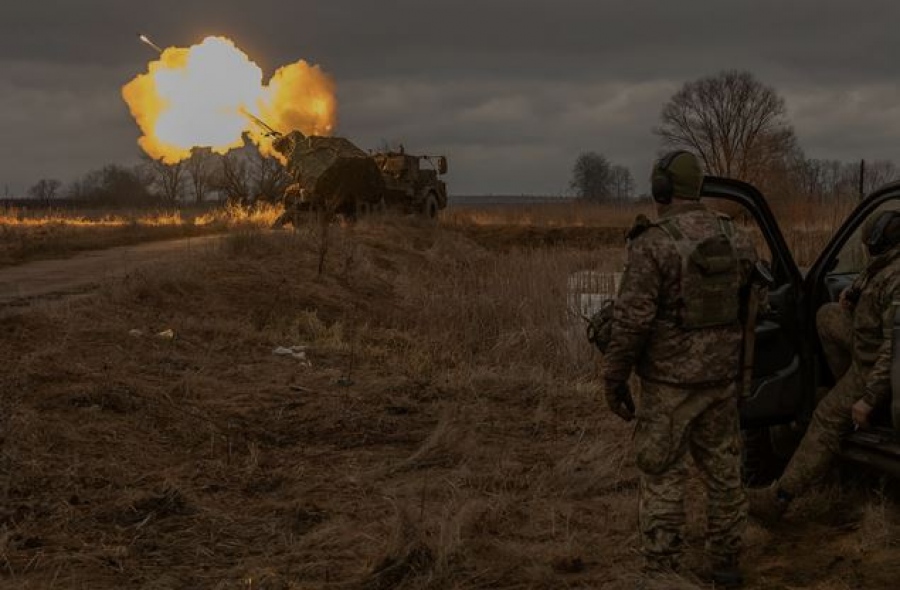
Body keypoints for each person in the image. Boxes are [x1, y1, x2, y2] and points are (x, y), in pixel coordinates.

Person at [601, 150, 761, 587]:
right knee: (724, 474)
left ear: (662, 188)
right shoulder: (738, 237)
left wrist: (614, 377)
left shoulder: (652, 242)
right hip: (721, 381)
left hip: (670, 385)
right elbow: (749, 304)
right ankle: (726, 564)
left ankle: (663, 571)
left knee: (662, 474)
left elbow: (632, 320)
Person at [749, 210, 900, 522]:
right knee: (828, 314)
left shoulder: (896, 280)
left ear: (877, 240)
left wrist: (869, 397)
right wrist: (853, 292)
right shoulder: (885, 266)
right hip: (867, 350)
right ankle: (847, 386)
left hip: (877, 366)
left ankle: (779, 498)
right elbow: (871, 279)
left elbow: (893, 348)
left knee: (826, 419)